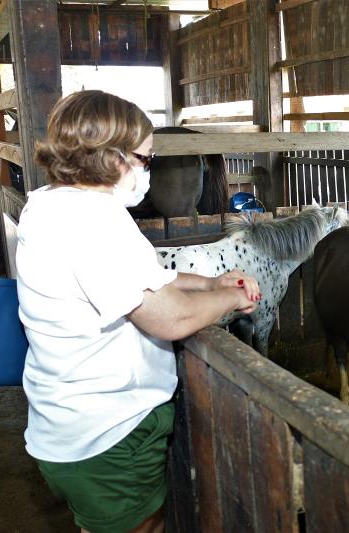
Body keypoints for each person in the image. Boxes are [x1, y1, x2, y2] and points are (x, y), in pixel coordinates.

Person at [16, 89, 260, 533]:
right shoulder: (94, 223)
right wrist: (232, 298)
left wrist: (207, 282)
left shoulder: (52, 202)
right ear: (113, 158)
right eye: (147, 160)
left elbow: (141, 273)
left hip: (67, 424)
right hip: (108, 433)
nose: (149, 172)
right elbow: (170, 318)